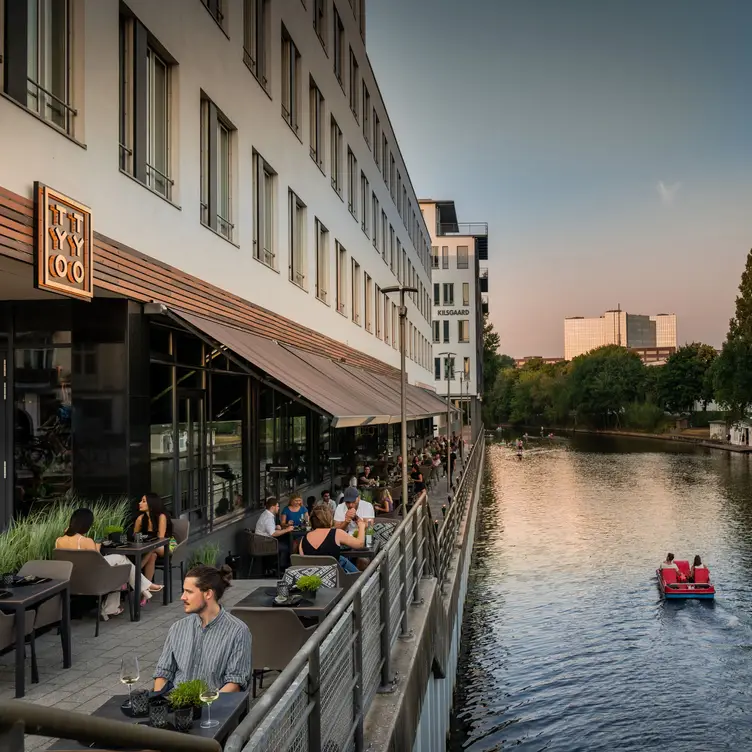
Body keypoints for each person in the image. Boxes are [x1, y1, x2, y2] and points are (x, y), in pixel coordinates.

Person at [153, 565, 251, 693]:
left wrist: (208, 706)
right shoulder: (177, 628)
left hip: (213, 707)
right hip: (176, 706)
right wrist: (160, 703)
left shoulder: (238, 631)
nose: (183, 597)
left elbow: (235, 682)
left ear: (208, 594)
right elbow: (163, 673)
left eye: (189, 592)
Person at [55, 508, 162, 619]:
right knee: (121, 560)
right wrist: (97, 546)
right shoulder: (85, 541)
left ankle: (112, 608)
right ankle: (146, 586)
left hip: (73, 581)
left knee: (120, 568)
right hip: (93, 580)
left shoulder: (59, 541)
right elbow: (97, 562)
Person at [300, 505, 363, 574]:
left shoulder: (303, 539)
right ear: (330, 520)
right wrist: (361, 526)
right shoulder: (336, 533)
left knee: (342, 559)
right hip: (336, 578)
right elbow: (360, 544)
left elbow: (304, 562)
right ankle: (361, 578)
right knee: (342, 560)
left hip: (313, 578)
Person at [134, 493, 173, 582]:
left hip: (168, 544)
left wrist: (148, 545)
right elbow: (135, 536)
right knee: (152, 556)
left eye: (143, 501)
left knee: (153, 548)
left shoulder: (161, 517)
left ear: (151, 503)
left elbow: (161, 538)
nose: (140, 503)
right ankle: (147, 590)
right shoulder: (140, 518)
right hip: (151, 547)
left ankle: (136, 569)